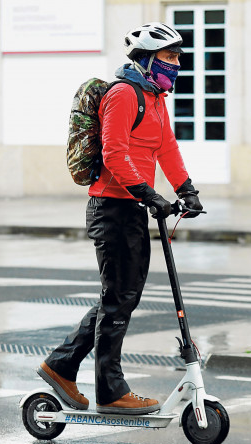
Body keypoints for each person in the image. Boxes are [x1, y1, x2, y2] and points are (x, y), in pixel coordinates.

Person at [38, 22, 203, 416]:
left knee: (119, 297)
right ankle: (110, 392)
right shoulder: (124, 94)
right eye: (169, 57)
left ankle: (60, 365)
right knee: (119, 299)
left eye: (178, 56)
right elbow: (113, 154)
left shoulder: (156, 97)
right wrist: (148, 194)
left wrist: (186, 190)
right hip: (112, 207)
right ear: (146, 59)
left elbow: (166, 148)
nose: (176, 64)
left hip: (129, 207)